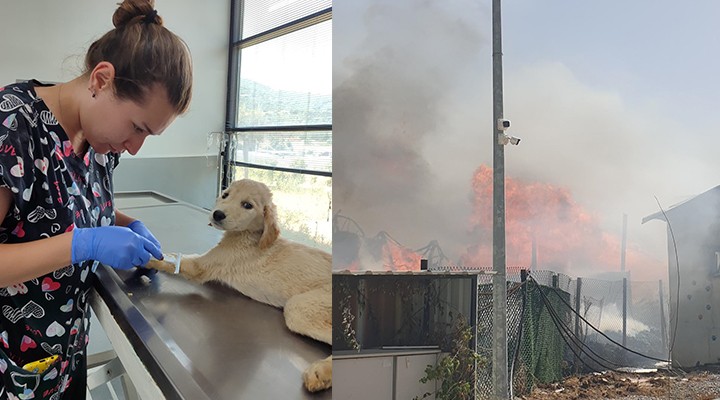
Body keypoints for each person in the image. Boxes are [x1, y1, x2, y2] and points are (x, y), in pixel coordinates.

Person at [0, 0, 192, 398]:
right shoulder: (13, 126)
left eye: (148, 136)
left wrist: (125, 224)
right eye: (137, 127)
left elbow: (61, 205)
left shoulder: (100, 141)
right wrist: (83, 243)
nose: (135, 147)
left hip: (64, 358)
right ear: (102, 80)